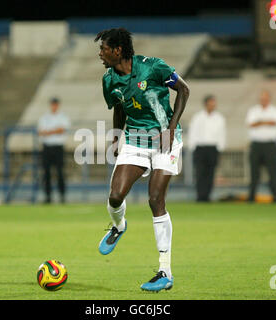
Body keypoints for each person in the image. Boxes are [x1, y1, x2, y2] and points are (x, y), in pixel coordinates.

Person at [95, 28, 190, 292]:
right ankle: (118, 226)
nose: (99, 53)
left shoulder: (153, 68)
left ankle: (165, 272)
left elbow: (184, 90)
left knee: (155, 199)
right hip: (135, 140)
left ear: (117, 50)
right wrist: (116, 139)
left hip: (164, 139)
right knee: (115, 196)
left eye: (103, 49)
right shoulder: (108, 80)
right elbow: (118, 105)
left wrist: (171, 129)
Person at [188, 94, 226, 202]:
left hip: (213, 148)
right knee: (200, 173)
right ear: (206, 104)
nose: (213, 105)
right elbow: (193, 132)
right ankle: (200, 196)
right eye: (210, 103)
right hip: (200, 148)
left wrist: (220, 149)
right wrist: (193, 147)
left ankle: (207, 196)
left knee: (210, 173)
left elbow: (222, 134)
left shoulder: (220, 118)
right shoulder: (198, 117)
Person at [245, 90, 276, 203]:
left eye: (265, 98)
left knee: (273, 172)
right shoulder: (253, 110)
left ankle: (275, 197)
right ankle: (251, 197)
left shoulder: (275, 110)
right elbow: (251, 124)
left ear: (269, 99)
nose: (264, 101)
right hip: (256, 145)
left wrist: (259, 122)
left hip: (270, 145)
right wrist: (265, 122)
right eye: (262, 98)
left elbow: (274, 122)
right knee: (254, 173)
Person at [37, 97, 71, 204]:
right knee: (46, 173)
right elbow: (41, 132)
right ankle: (48, 196)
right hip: (47, 147)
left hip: (58, 147)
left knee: (60, 172)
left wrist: (49, 132)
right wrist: (54, 131)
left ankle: (62, 195)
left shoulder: (62, 117)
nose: (54, 106)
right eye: (52, 104)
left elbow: (62, 130)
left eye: (55, 104)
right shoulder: (44, 117)